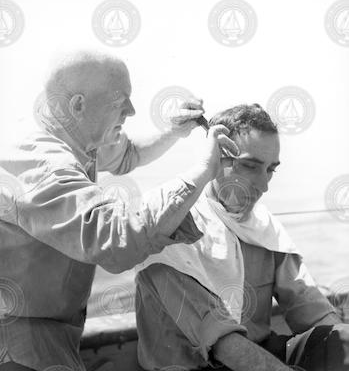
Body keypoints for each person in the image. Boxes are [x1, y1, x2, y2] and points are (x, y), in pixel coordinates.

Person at [0, 51, 237, 371]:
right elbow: (116, 239)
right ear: (78, 106)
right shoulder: (41, 164)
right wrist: (205, 169)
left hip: (52, 330)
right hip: (19, 339)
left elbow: (129, 154)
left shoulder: (74, 132)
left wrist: (174, 131)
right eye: (120, 101)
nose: (132, 110)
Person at [135, 104, 349, 371]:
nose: (264, 186)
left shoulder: (263, 226)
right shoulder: (168, 228)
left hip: (262, 353)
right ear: (216, 158)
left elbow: (310, 308)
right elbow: (226, 345)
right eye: (250, 166)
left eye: (271, 169)